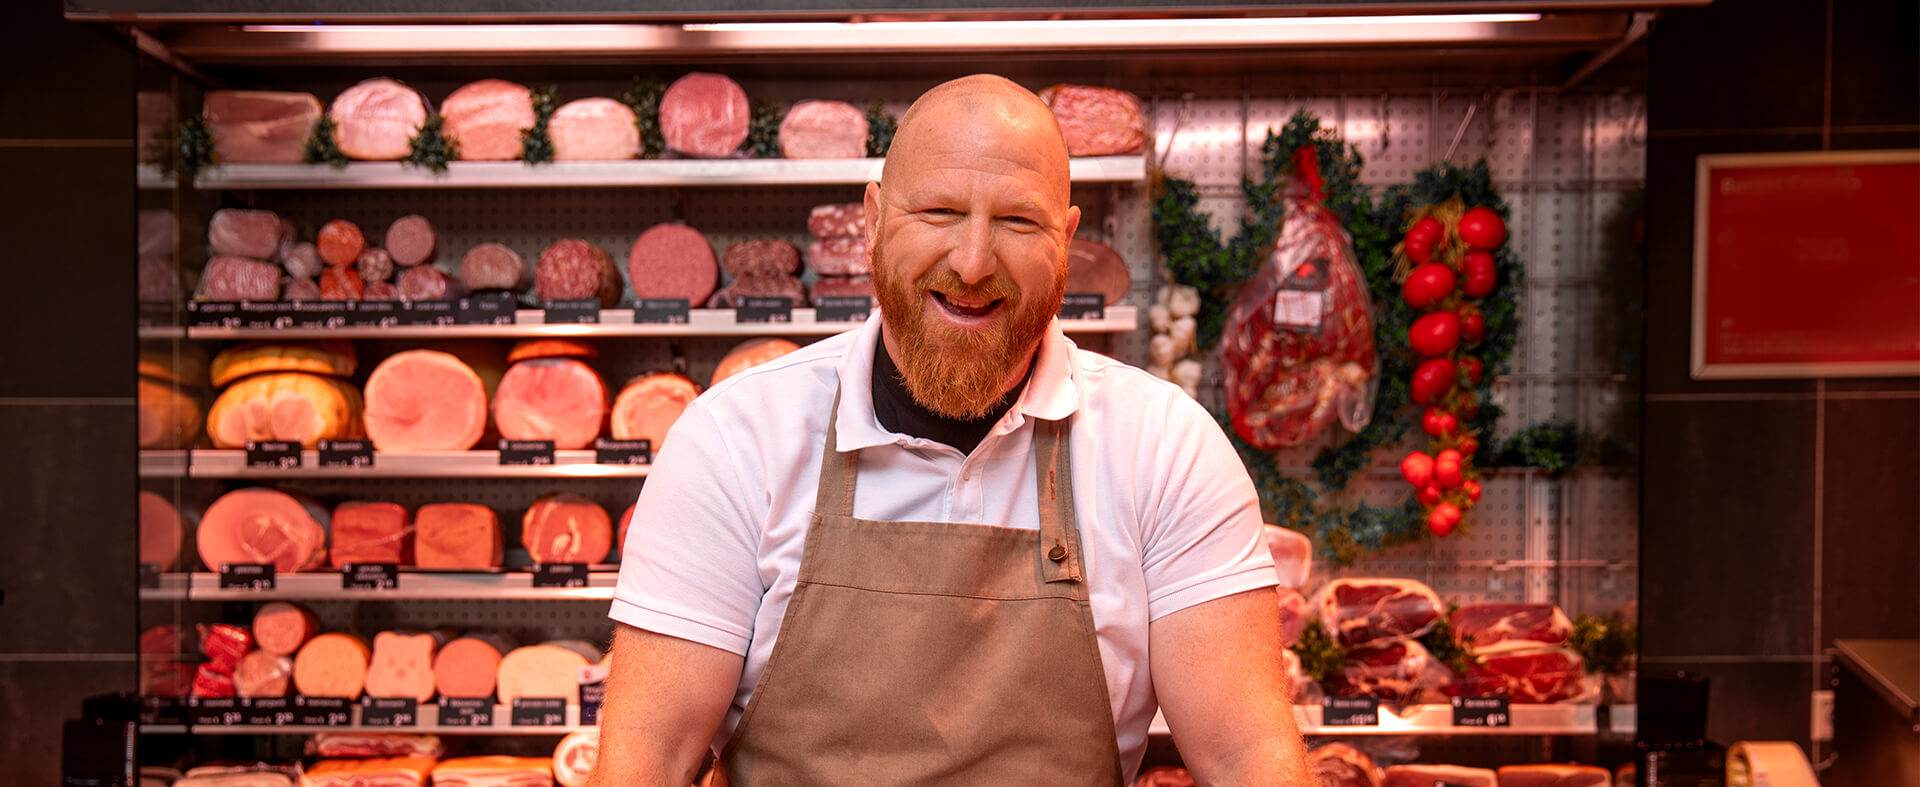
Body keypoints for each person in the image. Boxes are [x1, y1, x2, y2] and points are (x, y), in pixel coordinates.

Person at [592, 74, 1312, 786]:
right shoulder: (734, 439)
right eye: (938, 211)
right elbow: (646, 760)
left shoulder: (1163, 445)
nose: (972, 262)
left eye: (1018, 221)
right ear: (874, 220)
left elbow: (1248, 755)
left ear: (1065, 240)